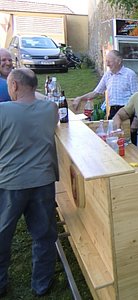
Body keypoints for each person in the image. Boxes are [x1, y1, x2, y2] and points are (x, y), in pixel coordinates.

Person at [0, 68, 59, 297]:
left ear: (14, 86)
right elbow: (44, 101)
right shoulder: (50, 109)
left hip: (10, 183)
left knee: (3, 235)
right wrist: (35, 91)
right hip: (43, 181)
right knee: (44, 235)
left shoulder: (2, 111)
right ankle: (41, 284)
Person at [72, 50, 138, 142]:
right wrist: (80, 98)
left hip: (127, 112)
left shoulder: (130, 74)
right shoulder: (108, 75)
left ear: (119, 61)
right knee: (113, 140)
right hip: (113, 111)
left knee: (129, 142)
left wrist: (135, 120)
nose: (107, 64)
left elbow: (137, 98)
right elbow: (96, 92)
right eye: (106, 61)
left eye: (109, 61)